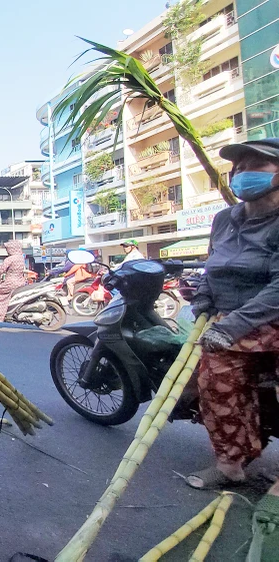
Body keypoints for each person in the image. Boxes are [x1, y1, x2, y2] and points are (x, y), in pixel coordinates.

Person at [183, 138, 279, 535]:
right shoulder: (225, 219)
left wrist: (232, 325)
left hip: (267, 315)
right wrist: (204, 298)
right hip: (229, 322)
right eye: (239, 167)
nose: (243, 173)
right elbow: (214, 266)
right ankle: (230, 464)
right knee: (212, 380)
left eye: (256, 165)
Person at [0, 239, 27, 323]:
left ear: (12, 249)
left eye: (7, 249)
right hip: (20, 282)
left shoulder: (10, 259)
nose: (7, 251)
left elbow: (0, 271)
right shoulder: (21, 257)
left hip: (10, 283)